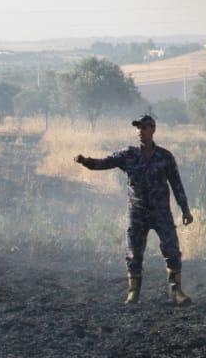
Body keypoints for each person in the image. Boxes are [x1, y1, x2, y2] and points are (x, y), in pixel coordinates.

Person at [74, 114, 195, 305]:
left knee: (172, 250)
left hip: (161, 212)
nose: (140, 131)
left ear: (153, 129)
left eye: (144, 127)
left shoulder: (165, 156)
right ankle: (133, 292)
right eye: (138, 127)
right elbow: (104, 163)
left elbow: (176, 184)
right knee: (134, 252)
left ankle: (176, 290)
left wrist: (185, 209)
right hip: (137, 212)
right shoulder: (128, 155)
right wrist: (86, 161)